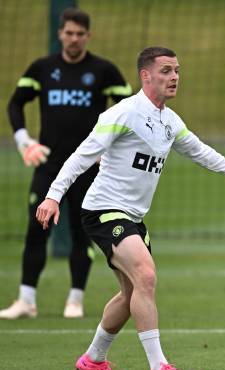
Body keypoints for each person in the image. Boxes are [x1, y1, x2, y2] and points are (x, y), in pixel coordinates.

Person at [36, 46, 225, 370]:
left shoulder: (170, 120)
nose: (174, 77)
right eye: (166, 70)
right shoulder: (122, 114)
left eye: (177, 70)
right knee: (146, 275)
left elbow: (198, 150)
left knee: (130, 293)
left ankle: (93, 360)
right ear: (145, 75)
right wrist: (53, 195)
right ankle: (159, 368)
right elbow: (81, 156)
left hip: (133, 217)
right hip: (103, 210)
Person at [1, 8, 132, 319]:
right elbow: (15, 103)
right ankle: (26, 300)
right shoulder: (42, 68)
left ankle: (75, 300)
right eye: (69, 33)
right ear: (60, 34)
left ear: (88, 36)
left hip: (88, 169)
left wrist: (109, 149)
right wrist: (25, 141)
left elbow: (129, 110)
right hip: (49, 166)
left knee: (80, 232)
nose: (74, 39)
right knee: (36, 229)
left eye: (80, 34)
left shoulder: (103, 71)